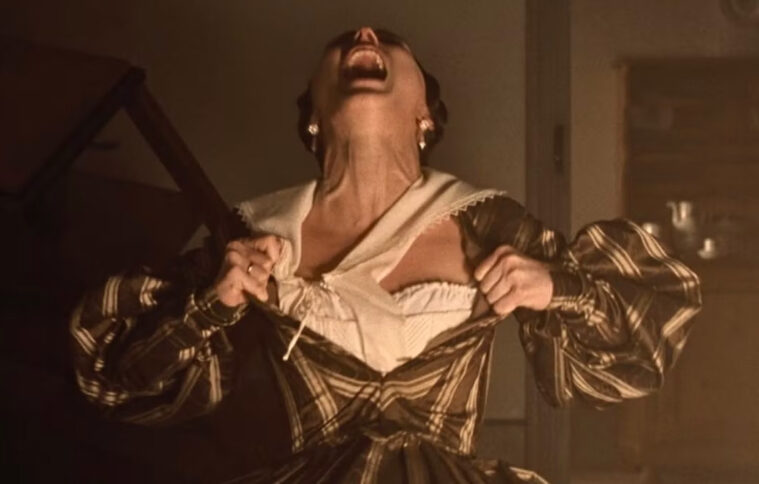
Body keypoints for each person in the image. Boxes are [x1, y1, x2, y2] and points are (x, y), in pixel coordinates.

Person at [70, 27, 702, 483]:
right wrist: (210, 306)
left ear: (425, 113)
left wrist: (562, 287)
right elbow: (115, 378)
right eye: (342, 42)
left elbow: (646, 339)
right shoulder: (250, 232)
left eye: (390, 41)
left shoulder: (487, 220)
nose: (365, 35)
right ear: (313, 113)